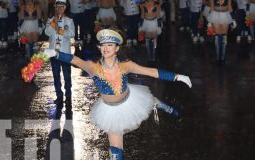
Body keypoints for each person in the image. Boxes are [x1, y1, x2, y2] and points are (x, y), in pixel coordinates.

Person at [43, 29, 192, 159]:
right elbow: (75, 60)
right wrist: (55, 53)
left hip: (130, 100)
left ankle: (164, 106)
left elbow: (151, 72)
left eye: (110, 45)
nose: (106, 48)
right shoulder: (93, 67)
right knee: (116, 150)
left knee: (150, 101)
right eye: (103, 45)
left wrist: (178, 76)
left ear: (117, 48)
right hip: (110, 110)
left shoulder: (125, 65)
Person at [44, 0, 75, 119]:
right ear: (55, 8)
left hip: (65, 51)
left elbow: (71, 34)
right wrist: (54, 24)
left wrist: (59, 29)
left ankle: (68, 96)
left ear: (65, 8)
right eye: (58, 7)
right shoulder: (51, 20)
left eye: (62, 7)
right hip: (53, 52)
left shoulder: (69, 21)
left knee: (67, 75)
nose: (59, 9)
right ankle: (59, 96)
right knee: (56, 75)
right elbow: (47, 32)